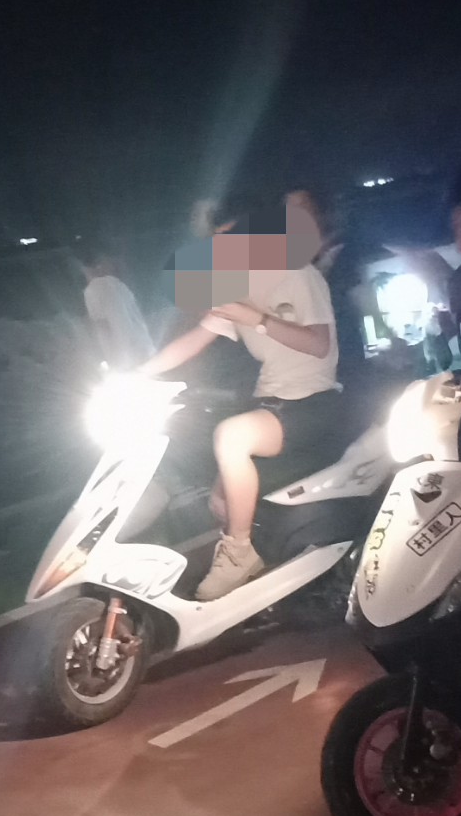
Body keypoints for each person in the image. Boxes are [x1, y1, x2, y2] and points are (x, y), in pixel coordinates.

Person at [137, 195, 340, 600]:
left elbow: (319, 345)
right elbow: (196, 339)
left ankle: (239, 553)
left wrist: (258, 320)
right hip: (272, 404)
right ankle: (270, 576)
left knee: (231, 437)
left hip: (313, 402)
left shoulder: (297, 274)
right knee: (220, 502)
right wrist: (139, 373)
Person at [75, 240, 156, 371]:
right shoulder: (119, 285)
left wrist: (111, 359)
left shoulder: (95, 289)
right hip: (144, 352)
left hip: (123, 358)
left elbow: (102, 326)